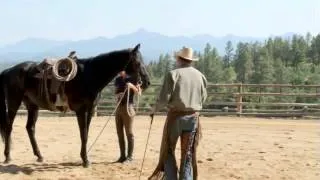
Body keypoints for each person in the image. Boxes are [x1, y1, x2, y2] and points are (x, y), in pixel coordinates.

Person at [148, 47, 207, 180]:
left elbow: (164, 99)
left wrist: (153, 110)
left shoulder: (173, 74)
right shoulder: (200, 76)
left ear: (180, 59)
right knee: (187, 154)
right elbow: (203, 98)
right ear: (190, 60)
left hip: (175, 118)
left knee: (168, 150)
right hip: (193, 119)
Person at [114, 70, 141, 163]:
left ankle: (130, 157)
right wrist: (118, 95)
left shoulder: (133, 79)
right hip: (119, 107)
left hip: (128, 107)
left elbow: (139, 92)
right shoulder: (117, 80)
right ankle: (122, 156)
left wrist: (131, 86)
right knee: (119, 133)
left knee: (129, 133)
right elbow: (115, 93)